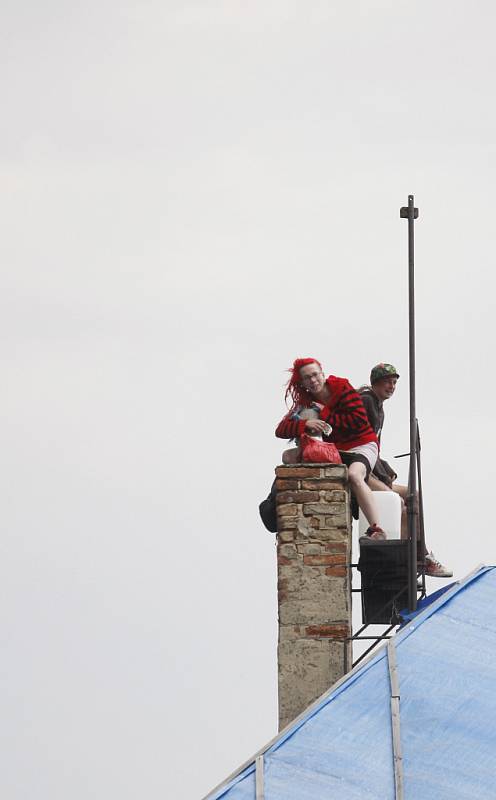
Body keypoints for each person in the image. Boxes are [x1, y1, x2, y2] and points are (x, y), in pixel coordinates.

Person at [276, 357, 386, 540]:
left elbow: (358, 421)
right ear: (302, 383)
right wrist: (305, 424)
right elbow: (280, 430)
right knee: (288, 456)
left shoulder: (342, 388)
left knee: (354, 475)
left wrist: (326, 414)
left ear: (322, 374)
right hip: (336, 450)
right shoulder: (307, 401)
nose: (312, 380)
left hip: (361, 445)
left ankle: (376, 528)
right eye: (307, 378)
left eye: (315, 375)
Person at [360, 363, 452, 578]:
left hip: (370, 466)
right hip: (361, 469)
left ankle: (421, 553)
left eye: (394, 383)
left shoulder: (377, 404)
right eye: (387, 382)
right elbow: (359, 442)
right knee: (397, 501)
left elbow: (370, 445)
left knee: (414, 495)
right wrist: (379, 469)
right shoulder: (367, 401)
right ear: (375, 383)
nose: (391, 386)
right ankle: (403, 555)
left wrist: (383, 466)